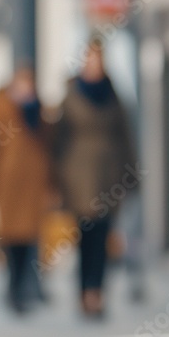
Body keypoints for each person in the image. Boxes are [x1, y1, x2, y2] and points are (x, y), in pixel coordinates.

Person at [53, 38, 137, 318]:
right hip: (78, 179)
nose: (94, 64)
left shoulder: (113, 94)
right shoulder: (71, 95)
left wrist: (131, 174)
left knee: (102, 238)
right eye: (90, 59)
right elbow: (58, 140)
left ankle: (96, 294)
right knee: (85, 237)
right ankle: (83, 292)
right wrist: (56, 181)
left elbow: (125, 136)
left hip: (108, 177)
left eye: (98, 59)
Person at [0, 67, 53, 314]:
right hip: (9, 187)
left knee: (30, 238)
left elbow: (49, 149)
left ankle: (24, 287)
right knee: (11, 239)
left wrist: (51, 185)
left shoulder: (39, 113)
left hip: (33, 186)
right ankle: (13, 288)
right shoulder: (4, 112)